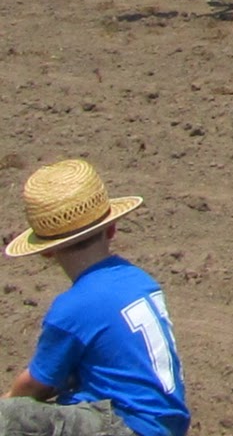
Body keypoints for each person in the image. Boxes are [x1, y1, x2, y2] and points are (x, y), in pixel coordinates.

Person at [2, 159, 188, 436]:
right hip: (164, 425)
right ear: (111, 229)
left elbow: (33, 387)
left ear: (46, 251)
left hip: (126, 425)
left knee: (10, 417)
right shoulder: (140, 281)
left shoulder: (72, 308)